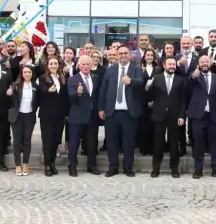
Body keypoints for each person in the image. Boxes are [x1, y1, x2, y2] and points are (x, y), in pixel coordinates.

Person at [99, 45, 144, 177]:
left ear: (129, 55)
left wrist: (131, 81)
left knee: (128, 141)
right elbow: (103, 90)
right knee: (111, 141)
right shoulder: (110, 70)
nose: (123, 55)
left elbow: (141, 83)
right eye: (120, 53)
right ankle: (113, 167)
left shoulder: (136, 69)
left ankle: (128, 167)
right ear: (117, 55)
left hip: (129, 113)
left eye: (125, 53)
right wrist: (101, 108)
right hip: (112, 112)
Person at [146, 57, 186, 178]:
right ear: (164, 65)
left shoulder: (180, 80)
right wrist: (148, 87)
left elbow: (183, 100)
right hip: (159, 115)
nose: (172, 66)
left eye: (174, 64)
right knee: (158, 143)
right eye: (170, 64)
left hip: (174, 116)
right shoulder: (156, 78)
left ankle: (174, 168)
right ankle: (155, 168)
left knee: (174, 143)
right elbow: (148, 97)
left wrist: (182, 116)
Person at [188, 55, 216, 179]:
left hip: (214, 116)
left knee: (215, 144)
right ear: (198, 64)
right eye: (202, 62)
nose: (204, 64)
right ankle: (198, 169)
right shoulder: (193, 76)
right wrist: (192, 77)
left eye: (206, 62)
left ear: (210, 63)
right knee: (198, 144)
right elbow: (186, 89)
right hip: (198, 116)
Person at [66, 55, 101, 177]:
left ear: (91, 65)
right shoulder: (73, 79)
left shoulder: (96, 78)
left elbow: (98, 96)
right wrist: (78, 93)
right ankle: (72, 166)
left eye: (88, 64)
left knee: (92, 143)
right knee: (74, 143)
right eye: (83, 64)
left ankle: (91, 165)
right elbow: (70, 97)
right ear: (79, 66)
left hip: (92, 116)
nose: (86, 66)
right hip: (77, 116)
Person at [38, 57, 68, 176]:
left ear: (59, 65)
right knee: (47, 140)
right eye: (51, 63)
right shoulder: (42, 78)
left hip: (59, 115)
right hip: (47, 114)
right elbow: (40, 93)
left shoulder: (62, 78)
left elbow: (65, 97)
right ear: (47, 65)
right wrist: (48, 91)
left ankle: (52, 164)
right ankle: (47, 165)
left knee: (56, 140)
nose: (53, 65)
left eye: (55, 63)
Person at [9, 64, 39, 176]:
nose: (27, 74)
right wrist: (9, 94)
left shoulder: (35, 85)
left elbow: (38, 101)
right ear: (21, 74)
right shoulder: (16, 85)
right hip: (17, 116)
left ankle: (25, 163)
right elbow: (10, 100)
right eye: (25, 72)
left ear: (32, 74)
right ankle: (18, 164)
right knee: (17, 141)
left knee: (27, 141)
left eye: (29, 72)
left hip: (29, 116)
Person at [136, 48, 159, 156]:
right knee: (143, 125)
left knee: (154, 125)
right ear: (144, 57)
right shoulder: (139, 69)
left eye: (151, 55)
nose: (149, 57)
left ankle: (153, 148)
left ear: (154, 57)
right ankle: (144, 148)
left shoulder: (158, 69)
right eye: (147, 55)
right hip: (142, 100)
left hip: (155, 100)